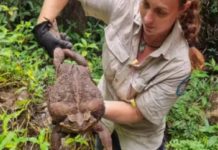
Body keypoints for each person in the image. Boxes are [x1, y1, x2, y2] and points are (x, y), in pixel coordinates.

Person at [33, 0, 204, 149]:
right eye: (145, 4)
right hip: (104, 124)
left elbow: (138, 113)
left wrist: (91, 106)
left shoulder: (179, 65)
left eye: (160, 12)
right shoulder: (126, 5)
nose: (148, 18)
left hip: (138, 142)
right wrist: (43, 27)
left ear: (182, 8)